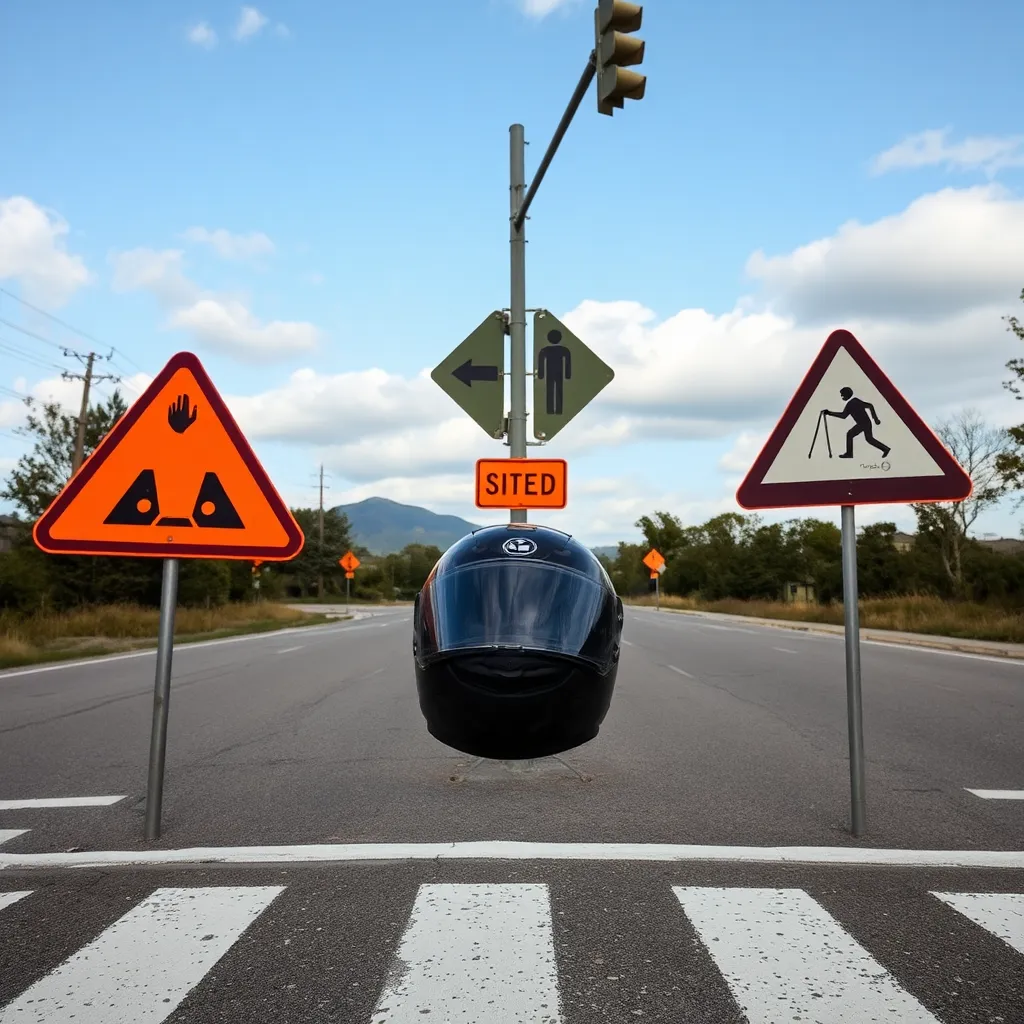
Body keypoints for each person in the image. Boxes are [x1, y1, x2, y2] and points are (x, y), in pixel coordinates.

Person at [824, 387, 890, 459]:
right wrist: (830, 413)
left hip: (864, 423)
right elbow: (844, 415)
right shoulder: (852, 403)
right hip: (865, 423)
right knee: (869, 439)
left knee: (852, 435)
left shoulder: (854, 402)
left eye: (842, 395)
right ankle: (885, 449)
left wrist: (876, 419)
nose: (841, 397)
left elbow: (844, 415)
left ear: (846, 394)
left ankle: (849, 454)